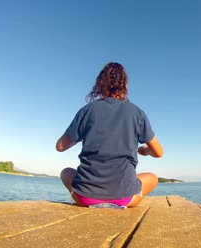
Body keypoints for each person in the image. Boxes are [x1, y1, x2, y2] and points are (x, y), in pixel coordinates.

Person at [56, 62, 163, 208]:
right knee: (152, 177)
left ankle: (90, 196)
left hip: (85, 197)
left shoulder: (87, 110)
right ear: (124, 85)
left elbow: (60, 146)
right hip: (125, 198)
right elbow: (158, 152)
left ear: (101, 84)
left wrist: (78, 136)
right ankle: (120, 197)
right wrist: (145, 151)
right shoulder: (137, 113)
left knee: (65, 173)